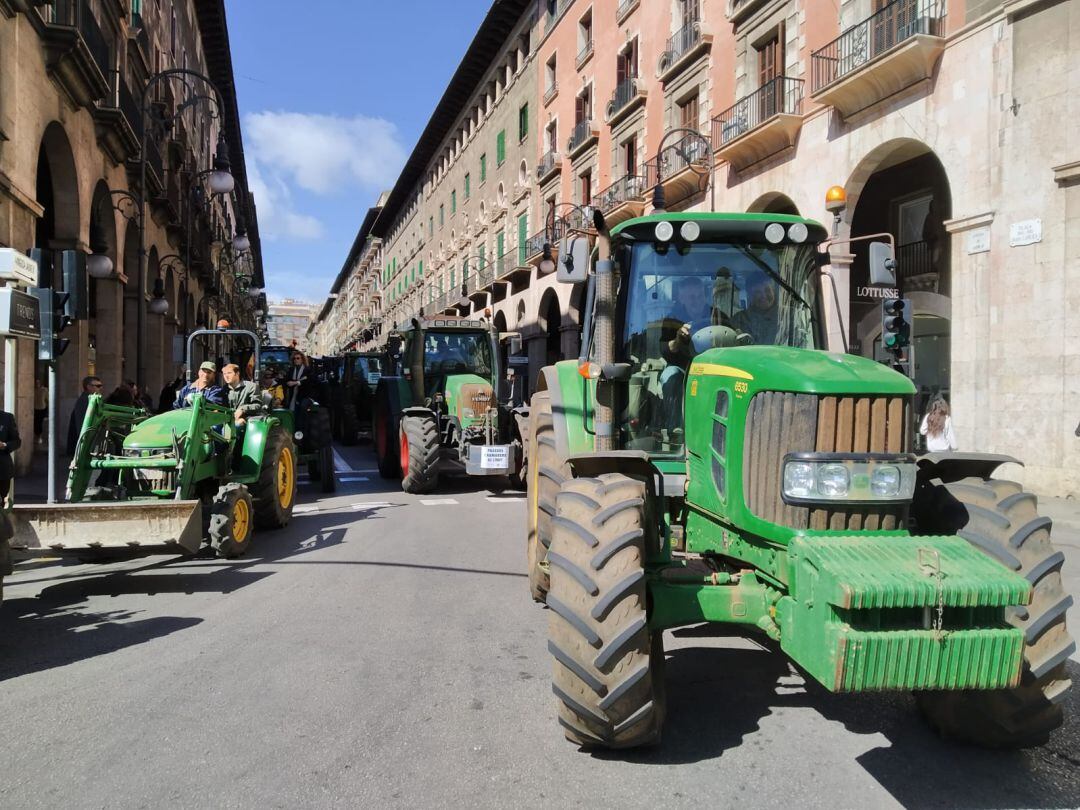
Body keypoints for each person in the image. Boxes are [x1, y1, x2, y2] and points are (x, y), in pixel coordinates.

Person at [732, 272, 780, 345]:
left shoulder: (785, 316)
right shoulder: (738, 320)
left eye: (767, 290)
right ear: (749, 295)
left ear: (773, 291)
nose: (763, 296)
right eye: (758, 292)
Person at [67, 375, 102, 456]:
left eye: (100, 386)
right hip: (83, 444)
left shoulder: (90, 399)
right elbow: (81, 423)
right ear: (89, 387)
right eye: (98, 386)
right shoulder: (85, 400)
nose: (100, 388)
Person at [0, 407, 21, 502]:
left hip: (2, 471)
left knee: (3, 506)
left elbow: (16, 441)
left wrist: (5, 445)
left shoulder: (6, 418)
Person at [33, 378, 47, 446]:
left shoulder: (44, 390)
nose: (37, 384)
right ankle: (36, 436)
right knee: (36, 422)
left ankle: (40, 437)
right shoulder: (34, 390)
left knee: (40, 422)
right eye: (36, 383)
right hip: (35, 408)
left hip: (42, 408)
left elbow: (47, 399)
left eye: (38, 383)